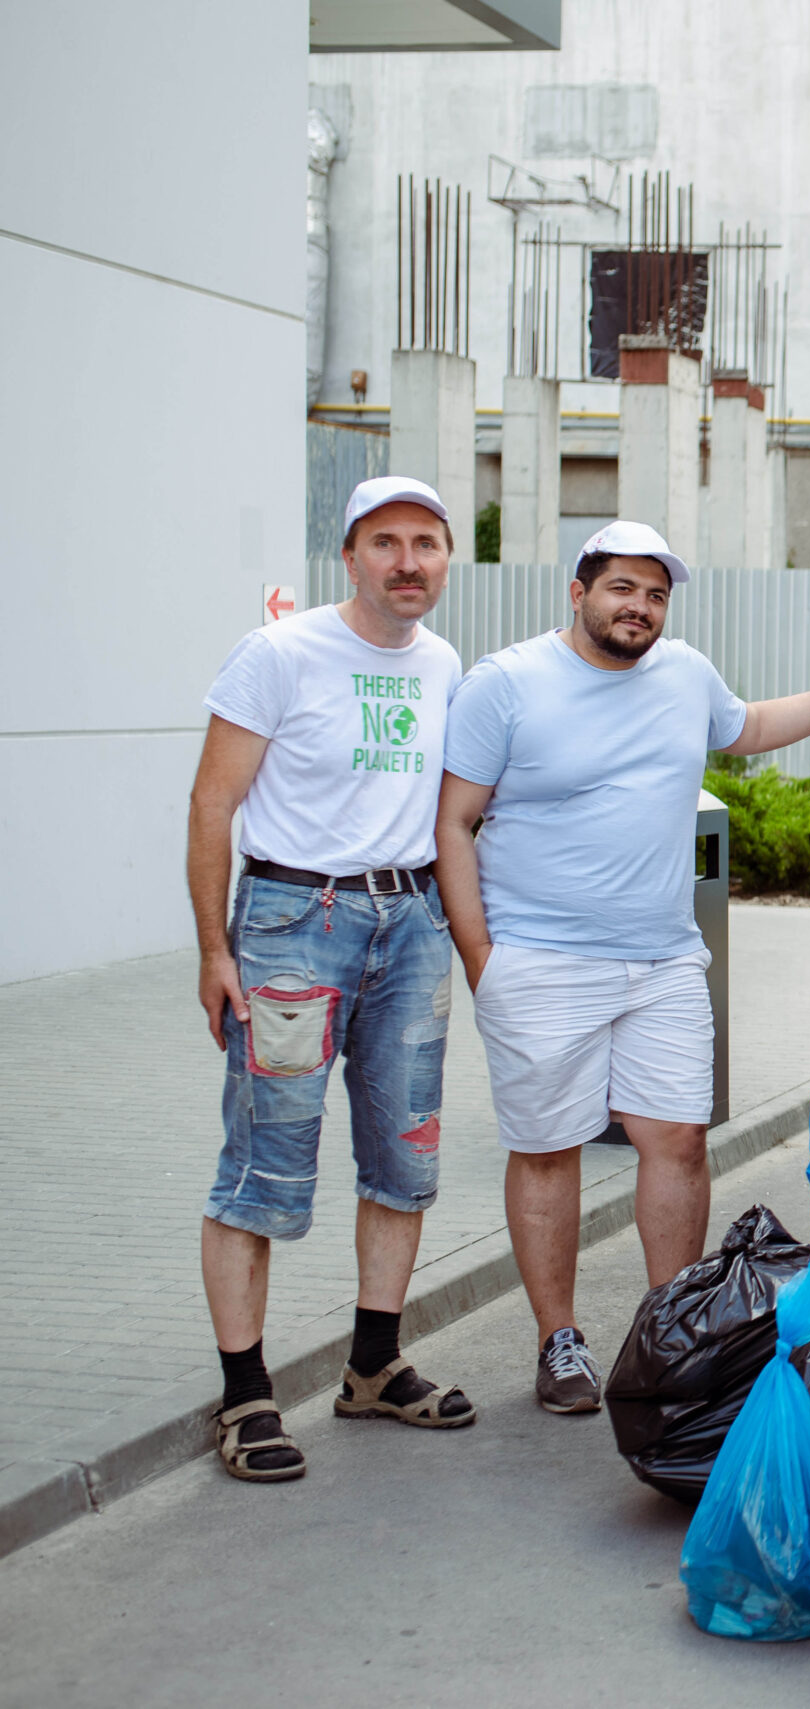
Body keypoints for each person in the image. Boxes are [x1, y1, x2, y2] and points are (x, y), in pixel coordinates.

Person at [435, 520, 810, 1414]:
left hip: (667, 959)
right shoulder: (507, 684)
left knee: (675, 1139)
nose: (640, 608)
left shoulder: (683, 672)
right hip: (541, 960)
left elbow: (746, 726)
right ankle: (559, 1340)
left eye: (656, 594)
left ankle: (666, 1331)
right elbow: (453, 823)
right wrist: (484, 961)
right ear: (579, 592)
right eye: (622, 588)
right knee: (549, 1148)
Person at [187, 475, 474, 1483]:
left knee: (407, 1156)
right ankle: (246, 1393)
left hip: (411, 925)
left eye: (426, 543)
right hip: (291, 928)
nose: (407, 561)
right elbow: (213, 803)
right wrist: (216, 951)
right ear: (350, 555)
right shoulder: (280, 653)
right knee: (265, 1163)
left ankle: (372, 1364)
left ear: (446, 558)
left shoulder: (443, 663)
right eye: (386, 541)